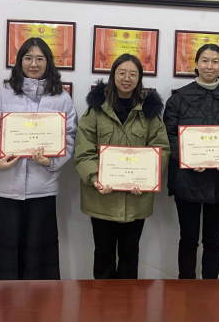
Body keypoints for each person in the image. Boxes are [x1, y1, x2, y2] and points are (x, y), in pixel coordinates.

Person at [0, 37, 77, 286]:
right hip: (5, 185)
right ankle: (0, 300)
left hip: (42, 187)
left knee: (38, 253)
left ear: (48, 62)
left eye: (40, 58)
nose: (34, 64)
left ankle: (37, 301)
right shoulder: (2, 94)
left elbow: (70, 137)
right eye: (28, 58)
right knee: (4, 252)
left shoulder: (62, 98)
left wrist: (50, 162)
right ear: (20, 61)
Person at [74, 54, 170, 279]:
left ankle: (128, 301)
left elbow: (161, 148)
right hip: (101, 197)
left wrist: (147, 179)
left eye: (133, 74)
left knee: (130, 255)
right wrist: (95, 177)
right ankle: (102, 300)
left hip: (137, 199)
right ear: (113, 75)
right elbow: (83, 150)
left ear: (139, 78)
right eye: (122, 73)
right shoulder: (95, 110)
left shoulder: (150, 113)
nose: (127, 78)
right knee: (103, 255)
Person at [163, 44, 219, 279]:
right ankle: (186, 287)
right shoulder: (178, 98)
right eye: (205, 60)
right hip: (187, 180)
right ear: (196, 64)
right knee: (188, 239)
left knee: (213, 240)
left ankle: (211, 289)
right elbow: (168, 135)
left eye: (215, 61)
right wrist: (186, 158)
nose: (210, 66)